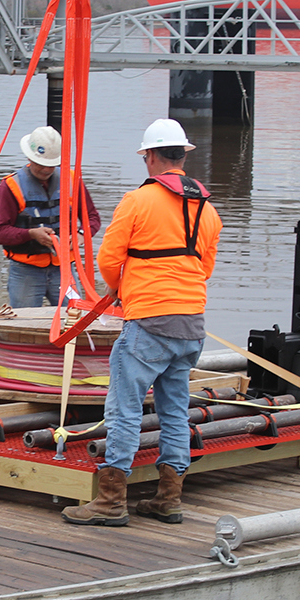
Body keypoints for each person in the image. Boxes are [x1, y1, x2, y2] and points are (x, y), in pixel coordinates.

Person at [62, 118, 223, 527]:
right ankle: (168, 499)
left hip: (149, 319)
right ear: (183, 155)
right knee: (174, 411)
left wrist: (123, 290)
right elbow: (204, 268)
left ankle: (111, 502)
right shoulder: (207, 209)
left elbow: (108, 260)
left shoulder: (136, 201)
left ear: (149, 156)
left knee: (124, 411)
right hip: (191, 322)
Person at [0, 125, 101, 308]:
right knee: (22, 326)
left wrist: (81, 235)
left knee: (75, 320)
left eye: (51, 165)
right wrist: (31, 234)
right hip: (26, 271)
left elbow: (92, 218)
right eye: (40, 164)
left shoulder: (72, 181)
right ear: (29, 157)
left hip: (64, 269)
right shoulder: (10, 187)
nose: (45, 170)